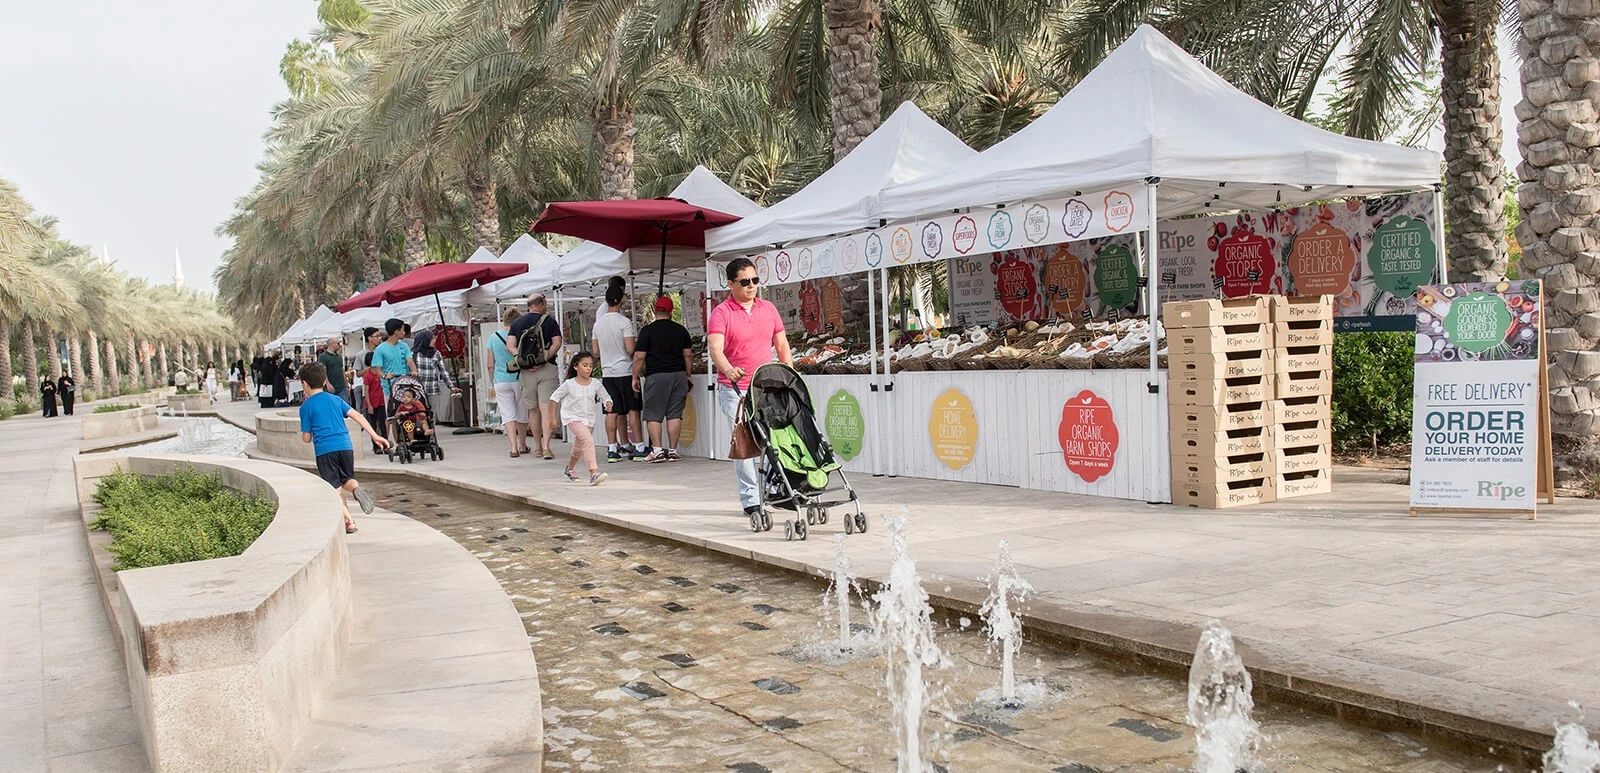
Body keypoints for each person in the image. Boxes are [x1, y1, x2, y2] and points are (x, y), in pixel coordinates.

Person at [708, 257, 793, 522]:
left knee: (772, 442)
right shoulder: (721, 313)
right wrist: (729, 368)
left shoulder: (768, 309)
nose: (752, 286)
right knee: (745, 446)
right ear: (730, 284)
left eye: (755, 280)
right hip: (735, 390)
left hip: (765, 387)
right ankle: (751, 500)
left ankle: (771, 491)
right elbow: (715, 350)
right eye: (745, 282)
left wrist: (788, 372)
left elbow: (782, 345)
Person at [297, 361, 390, 535]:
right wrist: (375, 435)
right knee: (347, 480)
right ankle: (356, 490)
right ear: (325, 381)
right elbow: (357, 416)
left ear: (304, 384)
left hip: (325, 450)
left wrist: (306, 434)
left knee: (335, 490)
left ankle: (350, 522)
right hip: (345, 446)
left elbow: (307, 437)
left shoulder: (306, 407)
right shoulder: (336, 399)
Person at [633, 295, 693, 463]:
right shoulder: (681, 330)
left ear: (654, 310)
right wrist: (688, 374)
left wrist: (634, 376)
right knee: (674, 414)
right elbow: (688, 355)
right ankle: (673, 450)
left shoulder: (647, 331)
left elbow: (639, 357)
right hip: (678, 375)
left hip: (656, 376)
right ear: (671, 311)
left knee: (653, 414)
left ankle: (658, 450)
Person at [592, 284, 644, 462]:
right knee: (633, 410)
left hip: (608, 374)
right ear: (621, 300)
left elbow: (596, 351)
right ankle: (639, 447)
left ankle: (612, 449)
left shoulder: (598, 324)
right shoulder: (624, 322)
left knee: (611, 412)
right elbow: (630, 348)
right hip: (626, 371)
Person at [509, 293, 563, 459]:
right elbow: (557, 342)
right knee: (546, 408)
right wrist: (544, 358)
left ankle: (538, 447)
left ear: (529, 305)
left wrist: (524, 360)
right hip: (547, 369)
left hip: (526, 372)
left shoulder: (517, 323)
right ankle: (547, 447)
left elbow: (510, 345)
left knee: (532, 410)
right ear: (543, 303)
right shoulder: (549, 321)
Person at [548, 351, 609, 486]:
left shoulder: (595, 383)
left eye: (591, 366)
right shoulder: (569, 384)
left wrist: (608, 403)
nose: (588, 368)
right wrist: (552, 418)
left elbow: (605, 396)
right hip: (572, 418)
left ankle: (569, 469)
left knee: (579, 448)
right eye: (585, 365)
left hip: (589, 419)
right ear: (576, 367)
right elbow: (554, 398)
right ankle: (593, 472)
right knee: (588, 440)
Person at [487, 306, 528, 457]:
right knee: (522, 412)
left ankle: (513, 448)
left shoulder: (493, 338)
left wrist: (493, 380)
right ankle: (523, 445)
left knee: (508, 414)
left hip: (500, 380)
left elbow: (490, 364)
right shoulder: (519, 336)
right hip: (519, 378)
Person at [411, 329, 458, 421]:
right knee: (419, 413)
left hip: (432, 389)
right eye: (431, 338)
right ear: (425, 340)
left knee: (431, 414)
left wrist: (451, 386)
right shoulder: (414, 354)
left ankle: (431, 433)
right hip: (417, 390)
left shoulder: (436, 354)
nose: (434, 340)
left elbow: (443, 371)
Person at [372, 317, 416, 402]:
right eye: (402, 330)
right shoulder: (380, 349)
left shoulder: (404, 346)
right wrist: (385, 376)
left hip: (405, 385)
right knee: (392, 412)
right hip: (389, 388)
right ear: (396, 332)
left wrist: (414, 371)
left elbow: (410, 362)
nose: (404, 332)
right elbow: (377, 369)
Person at [361, 353, 388, 454]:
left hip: (381, 402)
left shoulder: (381, 373)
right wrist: (369, 405)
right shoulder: (368, 375)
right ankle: (376, 446)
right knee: (373, 425)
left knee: (382, 424)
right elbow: (366, 392)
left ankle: (385, 444)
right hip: (372, 403)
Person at [316, 337, 350, 406]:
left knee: (344, 406)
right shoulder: (323, 357)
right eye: (338, 343)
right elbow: (323, 371)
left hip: (341, 386)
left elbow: (342, 370)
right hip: (331, 386)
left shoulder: (338, 357)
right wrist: (328, 384)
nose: (339, 345)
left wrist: (346, 384)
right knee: (331, 406)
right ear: (332, 344)